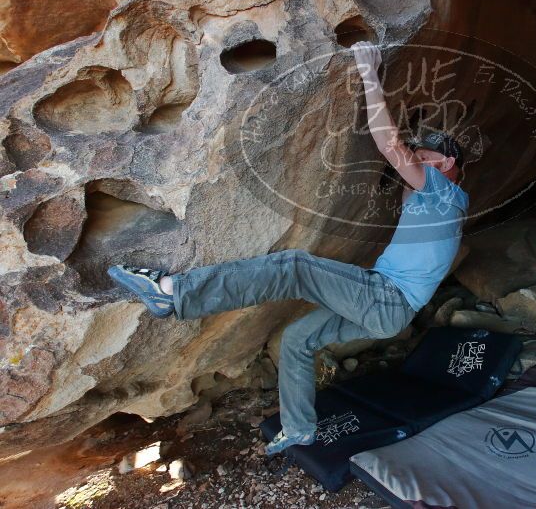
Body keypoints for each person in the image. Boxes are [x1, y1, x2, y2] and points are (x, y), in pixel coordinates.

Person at [106, 41, 469, 455]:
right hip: (387, 307)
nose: (419, 160)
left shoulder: (445, 192)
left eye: (429, 155)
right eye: (420, 155)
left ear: (447, 166)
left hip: (386, 298)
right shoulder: (434, 201)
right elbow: (402, 168)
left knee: (293, 265)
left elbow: (391, 148)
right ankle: (299, 427)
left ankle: (174, 292)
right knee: (298, 339)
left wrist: (370, 73)